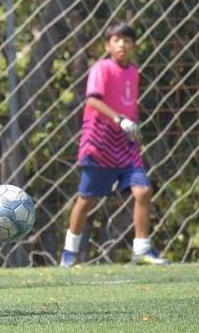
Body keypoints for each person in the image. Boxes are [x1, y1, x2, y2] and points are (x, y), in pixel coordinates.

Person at [60, 21, 170, 267]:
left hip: (125, 144)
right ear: (107, 45)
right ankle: (69, 252)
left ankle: (141, 249)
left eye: (127, 40)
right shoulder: (102, 68)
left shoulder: (133, 72)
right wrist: (119, 119)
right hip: (99, 143)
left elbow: (129, 106)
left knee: (143, 191)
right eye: (116, 40)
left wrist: (132, 127)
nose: (122, 45)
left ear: (133, 46)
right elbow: (92, 101)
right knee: (86, 199)